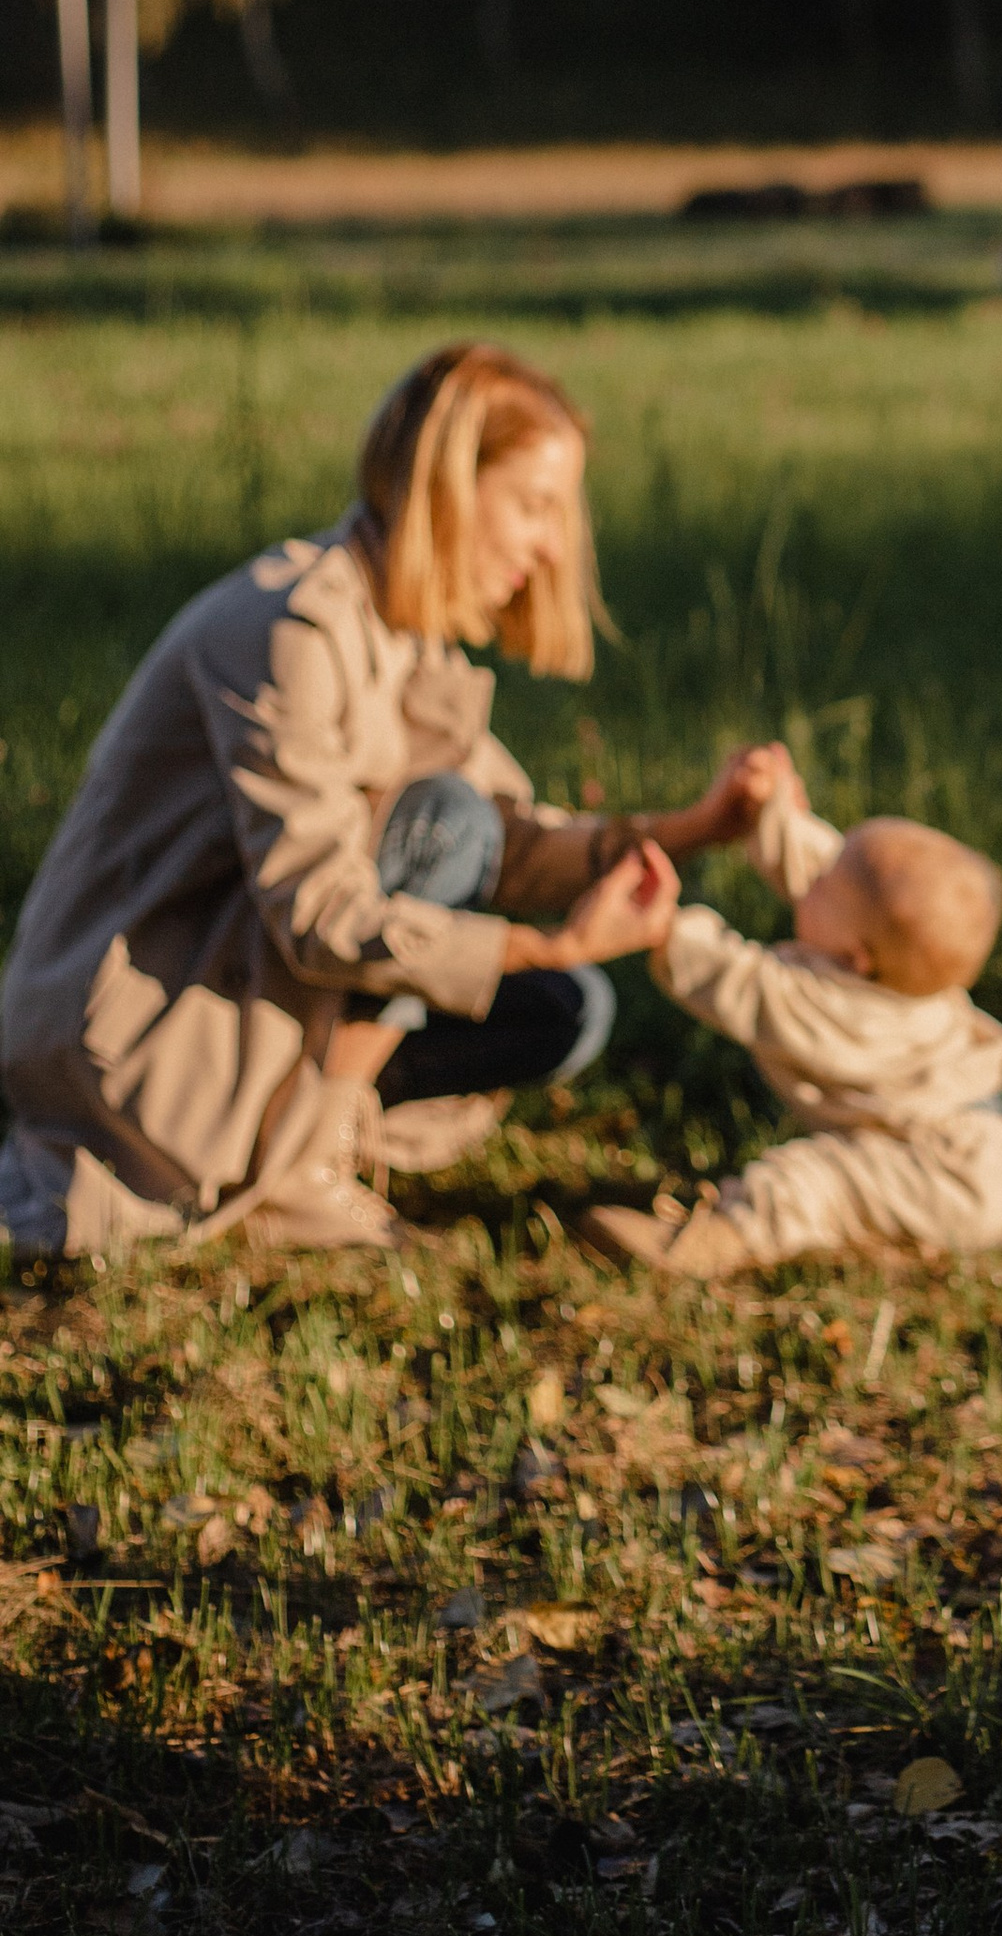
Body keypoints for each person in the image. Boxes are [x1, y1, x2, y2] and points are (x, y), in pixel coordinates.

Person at [0, 342, 786, 1259]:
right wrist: (549, 937)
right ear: (448, 484)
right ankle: (296, 1167)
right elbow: (320, 914)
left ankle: (306, 1134)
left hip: (256, 992)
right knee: (449, 835)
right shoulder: (288, 629)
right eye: (534, 506)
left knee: (562, 1009)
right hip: (153, 1028)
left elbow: (514, 845)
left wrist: (693, 829)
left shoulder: (404, 632)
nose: (550, 545)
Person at [573, 759, 1002, 1275]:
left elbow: (744, 983)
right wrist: (771, 813)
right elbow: (828, 873)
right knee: (849, 1168)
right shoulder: (880, 962)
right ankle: (878, 1240)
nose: (816, 875)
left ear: (854, 956)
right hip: (949, 1144)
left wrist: (664, 928)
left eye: (826, 882)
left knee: (817, 1178)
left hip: (959, 1180)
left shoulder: (843, 1014)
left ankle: (723, 1237)